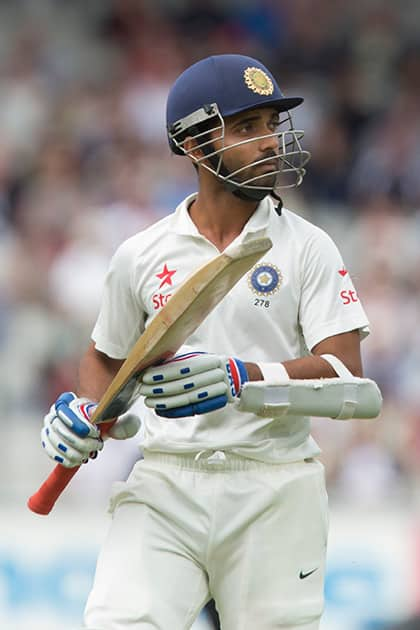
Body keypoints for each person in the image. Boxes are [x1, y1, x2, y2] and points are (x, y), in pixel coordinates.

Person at [41, 54, 370, 629]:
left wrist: (246, 378)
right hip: (167, 480)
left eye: (273, 124)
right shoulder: (140, 255)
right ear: (194, 147)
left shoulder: (309, 246)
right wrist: (89, 415)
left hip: (275, 487)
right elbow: (104, 357)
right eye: (247, 129)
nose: (270, 142)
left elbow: (354, 385)